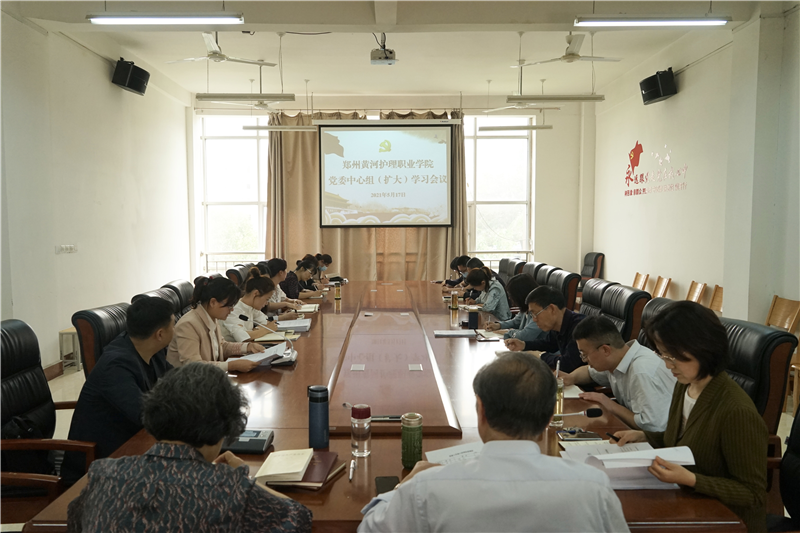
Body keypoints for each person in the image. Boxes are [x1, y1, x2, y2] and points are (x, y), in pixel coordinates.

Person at [357, 352, 629, 533]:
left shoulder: (427, 488)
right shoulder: (592, 487)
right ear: (549, 417)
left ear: (481, 410)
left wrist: (402, 485)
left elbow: (368, 528)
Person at [66, 363, 312, 533]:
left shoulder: (103, 474)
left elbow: (76, 522)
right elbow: (299, 520)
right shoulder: (232, 488)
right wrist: (249, 480)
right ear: (225, 428)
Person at [614, 302, 767, 533]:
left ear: (703, 349)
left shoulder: (736, 411)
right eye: (663, 355)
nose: (667, 365)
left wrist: (692, 479)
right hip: (688, 504)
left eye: (674, 357)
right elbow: (681, 442)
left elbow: (753, 494)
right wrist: (644, 435)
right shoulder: (685, 385)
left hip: (727, 522)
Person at [61, 297, 175, 484]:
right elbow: (146, 414)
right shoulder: (115, 365)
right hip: (101, 461)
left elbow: (177, 380)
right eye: (174, 326)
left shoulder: (152, 351)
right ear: (160, 334)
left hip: (133, 446)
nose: (175, 331)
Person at [561, 316, 675, 431]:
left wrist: (609, 404)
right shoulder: (616, 359)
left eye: (585, 355)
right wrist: (570, 378)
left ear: (605, 350)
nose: (584, 360)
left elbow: (651, 427)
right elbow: (589, 372)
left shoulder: (641, 371)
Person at [166, 276, 265, 372]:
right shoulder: (188, 325)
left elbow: (221, 346)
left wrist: (247, 347)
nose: (232, 309)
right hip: (186, 384)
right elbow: (193, 365)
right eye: (229, 306)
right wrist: (230, 366)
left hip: (208, 379)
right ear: (213, 302)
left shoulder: (211, 317)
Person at [504, 286, 587, 373]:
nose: (534, 319)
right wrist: (524, 345)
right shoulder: (558, 324)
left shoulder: (580, 327)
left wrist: (540, 355)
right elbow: (548, 344)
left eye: (535, 314)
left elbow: (566, 364)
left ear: (552, 309)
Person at [220, 267, 279, 342]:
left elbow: (268, 322)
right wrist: (265, 330)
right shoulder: (234, 309)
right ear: (255, 293)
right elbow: (243, 337)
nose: (267, 303)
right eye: (266, 299)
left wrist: (256, 331)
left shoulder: (251, 307)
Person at [484, 273, 546, 342]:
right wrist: (498, 325)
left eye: (511, 295)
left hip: (540, 350)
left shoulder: (539, 310)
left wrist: (509, 332)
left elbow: (524, 336)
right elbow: (515, 322)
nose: (510, 298)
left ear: (520, 295)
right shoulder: (525, 307)